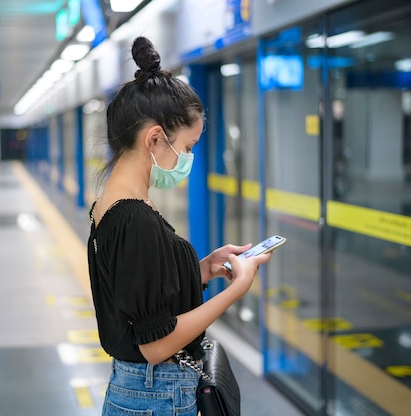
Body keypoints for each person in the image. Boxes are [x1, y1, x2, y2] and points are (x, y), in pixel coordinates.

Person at [87, 36, 272, 416]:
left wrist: (203, 269)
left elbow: (139, 293)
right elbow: (155, 345)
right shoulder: (134, 216)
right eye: (187, 147)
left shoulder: (112, 204)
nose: (187, 158)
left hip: (142, 392)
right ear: (155, 138)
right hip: (156, 395)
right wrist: (237, 289)